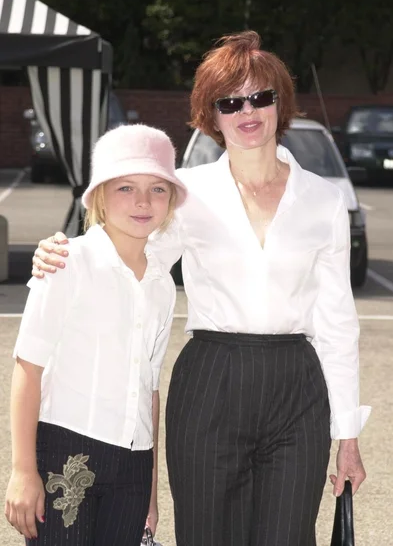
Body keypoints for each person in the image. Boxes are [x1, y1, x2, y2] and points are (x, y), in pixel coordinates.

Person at [30, 31, 371, 546]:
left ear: (282, 103)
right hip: (210, 380)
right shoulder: (189, 195)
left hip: (297, 388)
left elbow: (337, 321)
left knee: (287, 534)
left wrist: (347, 436)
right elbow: (131, 255)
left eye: (261, 97)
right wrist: (65, 251)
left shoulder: (323, 200)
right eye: (231, 101)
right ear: (212, 115)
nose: (247, 111)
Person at [5, 124, 187, 546]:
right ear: (100, 195)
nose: (143, 201)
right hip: (63, 455)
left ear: (172, 200)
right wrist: (22, 470)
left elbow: (150, 390)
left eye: (158, 189)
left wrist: (152, 495)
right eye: (125, 187)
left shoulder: (162, 282)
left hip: (134, 469)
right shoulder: (67, 262)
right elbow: (28, 367)